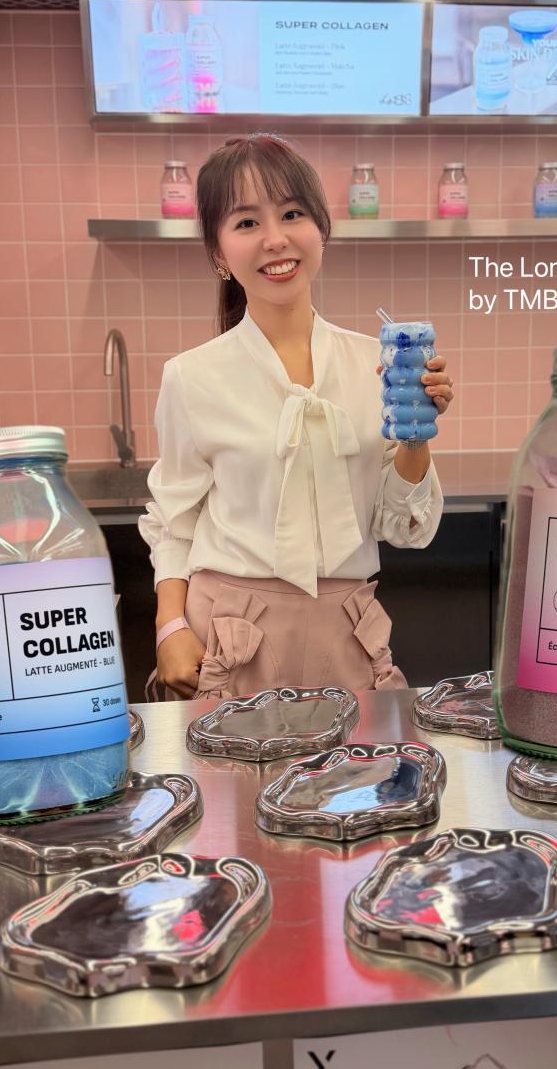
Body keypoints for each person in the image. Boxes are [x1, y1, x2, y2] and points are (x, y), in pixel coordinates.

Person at [138, 133, 453, 700]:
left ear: (321, 229)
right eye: (246, 223)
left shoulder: (375, 365)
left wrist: (415, 431)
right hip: (232, 632)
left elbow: (403, 528)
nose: (275, 239)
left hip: (346, 631)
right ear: (218, 252)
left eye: (291, 214)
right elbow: (174, 520)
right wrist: (170, 626)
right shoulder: (191, 376)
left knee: (360, 761)